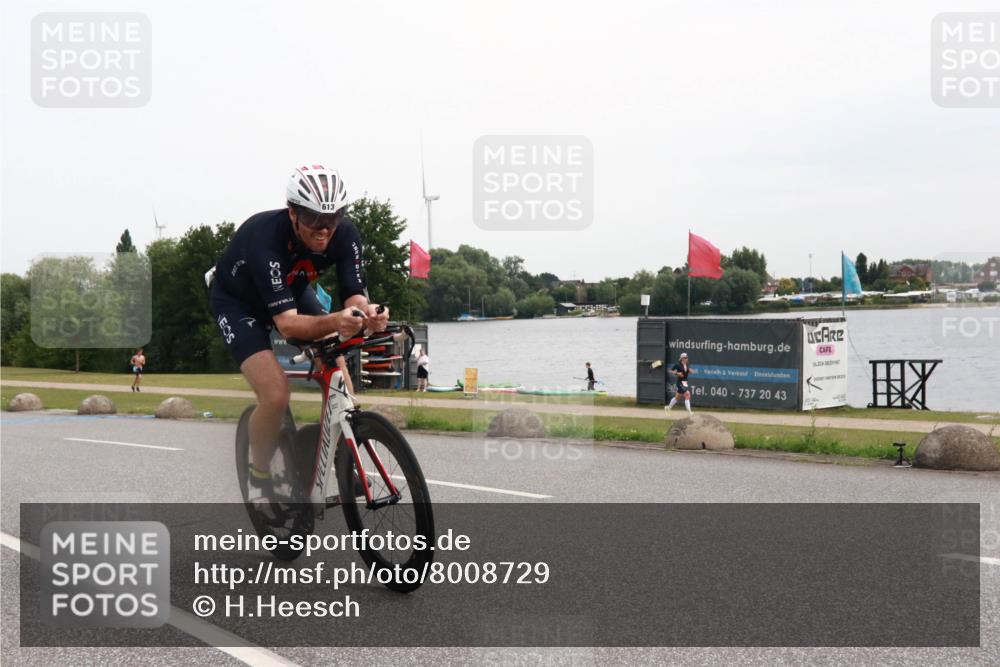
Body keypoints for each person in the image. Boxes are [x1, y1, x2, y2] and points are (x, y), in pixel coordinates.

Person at [208, 165, 389, 514]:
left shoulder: (345, 233)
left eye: (332, 217)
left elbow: (353, 294)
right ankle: (259, 472)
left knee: (338, 370)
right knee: (276, 394)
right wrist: (335, 320)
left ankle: (340, 452)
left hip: (291, 289)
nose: (323, 229)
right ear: (292, 212)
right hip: (238, 303)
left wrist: (370, 313)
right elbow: (288, 327)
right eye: (312, 218)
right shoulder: (264, 237)